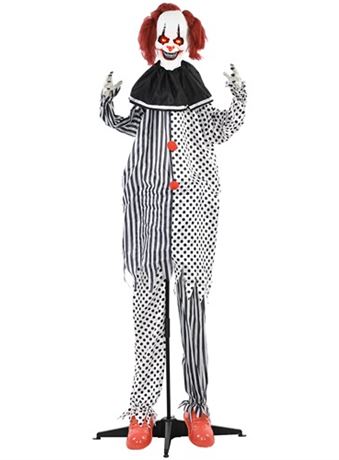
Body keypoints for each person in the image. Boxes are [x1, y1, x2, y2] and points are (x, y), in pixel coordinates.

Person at [99, 2, 247, 449]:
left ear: (189, 41)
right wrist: (106, 101)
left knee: (193, 318)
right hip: (148, 222)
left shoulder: (196, 95)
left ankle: (197, 407)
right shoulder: (145, 95)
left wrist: (238, 94)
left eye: (177, 37)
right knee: (148, 317)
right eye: (163, 37)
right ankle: (142, 410)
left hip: (192, 221)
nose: (170, 44)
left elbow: (222, 130)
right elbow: (124, 124)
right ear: (152, 42)